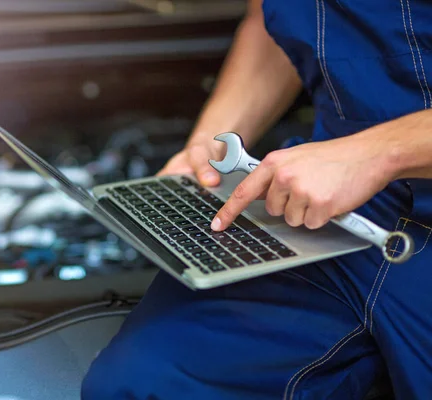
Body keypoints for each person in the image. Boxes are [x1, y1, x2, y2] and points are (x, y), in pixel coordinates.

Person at [82, 0, 432, 398]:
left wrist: (380, 152)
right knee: (143, 385)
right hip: (320, 211)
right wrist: (210, 142)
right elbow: (272, 18)